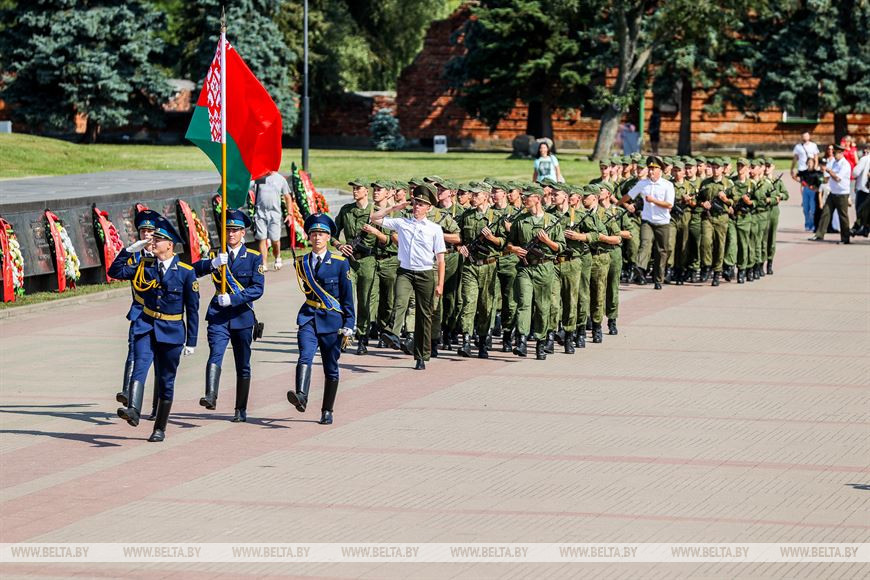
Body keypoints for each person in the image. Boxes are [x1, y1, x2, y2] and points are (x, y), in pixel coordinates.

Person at [109, 214, 199, 443]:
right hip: (146, 326)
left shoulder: (186, 271)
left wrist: (192, 341)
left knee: (166, 381)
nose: (153, 242)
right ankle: (133, 409)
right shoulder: (144, 264)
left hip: (171, 331)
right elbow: (115, 272)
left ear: (170, 244)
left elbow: (193, 309)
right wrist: (129, 250)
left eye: (158, 239)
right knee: (140, 365)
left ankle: (160, 427)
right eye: (152, 239)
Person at [192, 209, 264, 422]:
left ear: (243, 233)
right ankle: (211, 395)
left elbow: (257, 289)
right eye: (227, 230)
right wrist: (211, 264)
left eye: (235, 230)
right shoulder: (217, 254)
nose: (230, 234)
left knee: (243, 363)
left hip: (242, 316)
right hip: (218, 316)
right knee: (216, 353)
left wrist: (233, 299)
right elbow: (192, 270)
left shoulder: (253, 257)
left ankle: (240, 409)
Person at [287, 214, 355, 425]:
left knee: (330, 367)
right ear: (309, 237)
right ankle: (302, 395)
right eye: (314, 234)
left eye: (322, 234)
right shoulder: (302, 262)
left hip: (332, 322)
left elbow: (347, 297)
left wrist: (349, 324)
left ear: (328, 237)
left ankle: (327, 410)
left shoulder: (340, 263)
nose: (317, 238)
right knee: (305, 355)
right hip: (308, 317)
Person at [373, 183, 446, 370]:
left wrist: (440, 284)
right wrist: (393, 208)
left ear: (429, 208)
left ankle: (422, 355)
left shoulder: (434, 229)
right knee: (400, 300)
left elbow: (440, 259)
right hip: (405, 271)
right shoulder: (402, 222)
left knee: (424, 316)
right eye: (415, 203)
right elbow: (374, 218)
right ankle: (394, 334)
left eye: (421, 204)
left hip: (426, 273)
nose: (416, 207)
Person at [505, 184, 565, 360]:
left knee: (542, 306)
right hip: (525, 268)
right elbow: (508, 244)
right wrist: (515, 249)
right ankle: (522, 340)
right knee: (524, 302)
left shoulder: (551, 221)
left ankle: (540, 340)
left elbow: (560, 247)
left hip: (545, 268)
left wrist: (547, 241)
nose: (524, 199)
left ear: (537, 199)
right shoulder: (520, 221)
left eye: (528, 196)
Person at [116, 209, 160, 419]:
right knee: (134, 352)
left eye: (150, 232)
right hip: (140, 313)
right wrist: (128, 250)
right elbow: (115, 271)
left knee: (160, 365)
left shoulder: (164, 255)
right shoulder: (135, 257)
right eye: (143, 231)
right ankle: (128, 393)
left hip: (162, 317)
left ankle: (157, 407)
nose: (147, 236)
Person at [456, 183, 506, 358]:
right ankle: (466, 341)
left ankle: (483, 341)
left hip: (489, 265)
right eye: (473, 195)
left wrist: (492, 238)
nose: (473, 198)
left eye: (477, 195)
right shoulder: (466, 216)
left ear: (485, 196)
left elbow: (504, 243)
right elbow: (457, 236)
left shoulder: (497, 216)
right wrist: (460, 247)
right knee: (469, 302)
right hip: (470, 265)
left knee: (486, 306)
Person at [332, 179, 377, 354]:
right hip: (349, 261)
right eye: (353, 188)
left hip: (367, 261)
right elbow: (332, 233)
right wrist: (339, 245)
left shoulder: (374, 212)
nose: (355, 191)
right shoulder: (346, 210)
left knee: (365, 301)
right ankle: (345, 334)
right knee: (346, 298)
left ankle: (363, 337)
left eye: (358, 188)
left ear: (366, 191)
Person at [626, 156, 675, 290]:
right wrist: (619, 204)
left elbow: (669, 205)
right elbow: (629, 195)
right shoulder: (643, 184)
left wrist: (653, 200)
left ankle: (658, 278)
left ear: (660, 170)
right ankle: (640, 267)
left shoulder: (667, 185)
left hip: (663, 222)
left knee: (662, 251)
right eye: (650, 168)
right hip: (647, 220)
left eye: (654, 169)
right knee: (645, 242)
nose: (651, 171)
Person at [251, 171, 293, 271]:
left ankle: (277, 256)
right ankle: (264, 263)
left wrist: (290, 213)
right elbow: (247, 186)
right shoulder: (260, 178)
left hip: (275, 214)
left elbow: (287, 197)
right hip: (260, 213)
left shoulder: (280, 179)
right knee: (262, 238)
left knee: (275, 240)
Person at [811, 144, 852, 244]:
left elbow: (838, 178)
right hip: (833, 192)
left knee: (843, 216)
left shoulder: (845, 164)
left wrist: (829, 171)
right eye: (833, 153)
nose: (833, 155)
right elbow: (826, 176)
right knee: (826, 212)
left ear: (841, 153)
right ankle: (819, 234)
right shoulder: (834, 162)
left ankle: (845, 238)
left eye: (835, 153)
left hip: (842, 193)